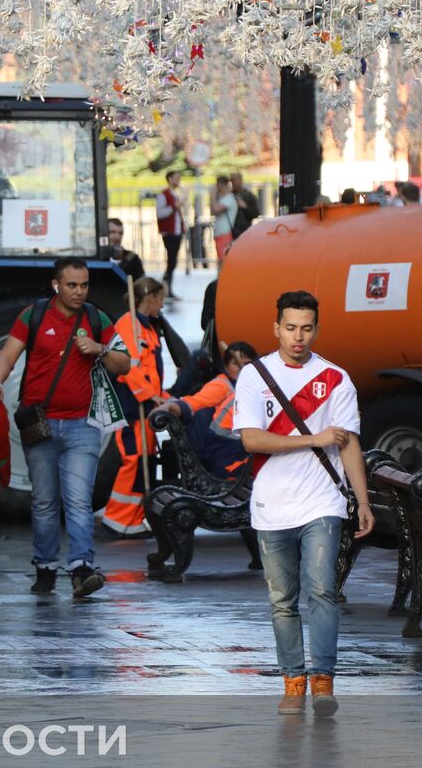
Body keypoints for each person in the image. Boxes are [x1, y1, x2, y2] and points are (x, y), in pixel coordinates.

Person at [234, 290, 374, 716]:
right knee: (283, 599)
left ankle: (324, 682)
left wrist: (362, 500)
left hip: (322, 503)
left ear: (317, 329)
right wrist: (313, 437)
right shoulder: (255, 375)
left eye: (306, 328)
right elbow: (251, 438)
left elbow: (349, 444)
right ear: (276, 327)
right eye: (290, 327)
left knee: (322, 592)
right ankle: (293, 680)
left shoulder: (336, 378)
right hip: (271, 504)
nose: (298, 337)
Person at [0, 257, 131, 597]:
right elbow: (7, 356)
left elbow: (124, 363)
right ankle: (46, 567)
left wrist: (99, 348)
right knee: (44, 502)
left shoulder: (97, 319)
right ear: (56, 285)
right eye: (72, 285)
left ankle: (81, 567)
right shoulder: (33, 315)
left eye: (84, 285)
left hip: (84, 425)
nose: (79, 292)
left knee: (79, 501)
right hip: (41, 424)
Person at [103, 277, 169, 537]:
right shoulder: (129, 326)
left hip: (145, 404)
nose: (161, 306)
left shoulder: (147, 327)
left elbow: (148, 369)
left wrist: (159, 396)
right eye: (160, 300)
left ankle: (133, 518)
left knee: (146, 459)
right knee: (134, 459)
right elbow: (128, 368)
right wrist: (151, 396)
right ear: (149, 297)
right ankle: (117, 520)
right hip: (132, 405)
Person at [153, 340, 257, 479]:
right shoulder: (222, 386)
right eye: (235, 363)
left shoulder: (245, 386)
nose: (241, 368)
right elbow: (196, 402)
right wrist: (177, 407)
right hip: (220, 456)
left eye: (246, 364)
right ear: (226, 366)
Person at [155, 170, 185, 299]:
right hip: (169, 233)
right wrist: (174, 207)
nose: (179, 180)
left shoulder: (174, 195)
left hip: (177, 232)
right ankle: (164, 288)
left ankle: (167, 288)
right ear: (170, 179)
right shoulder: (163, 195)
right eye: (176, 177)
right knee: (171, 260)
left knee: (173, 261)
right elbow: (160, 213)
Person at [211, 175, 238, 265]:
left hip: (224, 233)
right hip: (220, 233)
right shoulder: (223, 198)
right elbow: (213, 211)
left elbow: (215, 210)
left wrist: (213, 196)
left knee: (224, 261)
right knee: (221, 261)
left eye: (217, 185)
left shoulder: (229, 198)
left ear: (221, 185)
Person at [229, 172, 260, 238]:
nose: (234, 183)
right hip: (231, 231)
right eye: (232, 181)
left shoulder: (249, 195)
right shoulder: (229, 195)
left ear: (241, 180)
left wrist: (245, 207)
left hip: (245, 230)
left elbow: (256, 213)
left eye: (236, 180)